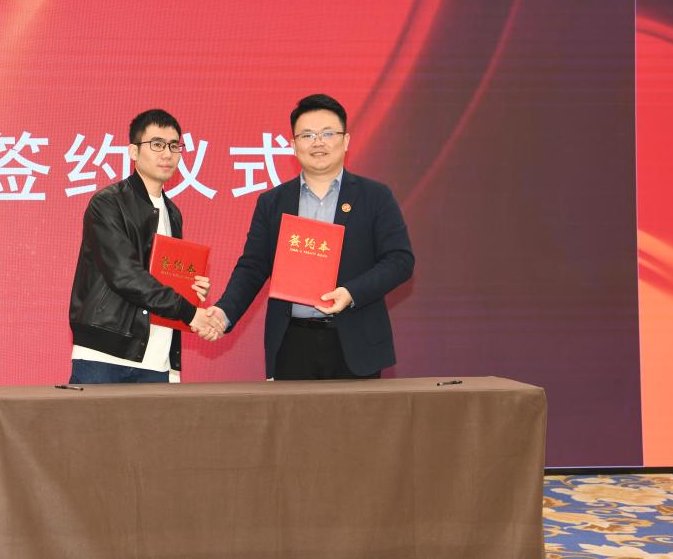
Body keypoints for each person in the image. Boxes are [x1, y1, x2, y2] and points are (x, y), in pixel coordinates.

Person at [207, 94, 414, 380]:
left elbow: (400, 261)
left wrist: (351, 293)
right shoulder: (273, 202)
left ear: (346, 140)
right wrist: (224, 312)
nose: (318, 142)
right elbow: (253, 267)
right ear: (293, 145)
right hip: (292, 343)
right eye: (307, 135)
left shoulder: (375, 196)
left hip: (356, 342)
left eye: (328, 134)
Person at [69, 109, 225, 384]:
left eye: (174, 146)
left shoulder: (173, 213)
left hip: (158, 356)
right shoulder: (107, 203)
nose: (167, 154)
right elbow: (126, 275)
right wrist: (190, 312)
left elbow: (161, 275)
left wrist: (191, 289)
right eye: (157, 144)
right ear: (133, 151)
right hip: (105, 354)